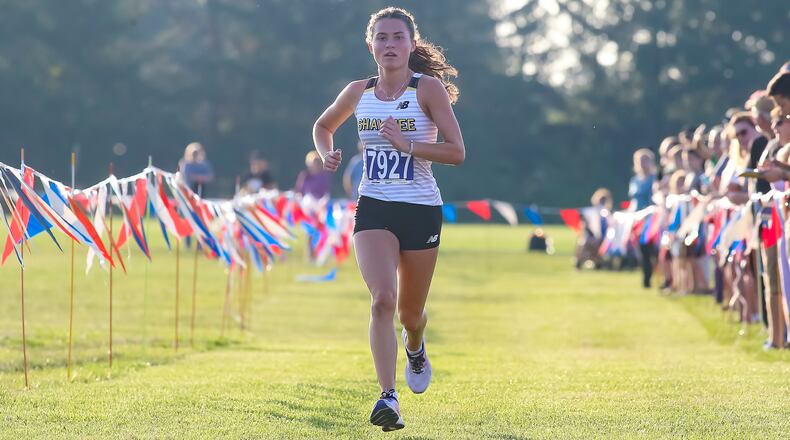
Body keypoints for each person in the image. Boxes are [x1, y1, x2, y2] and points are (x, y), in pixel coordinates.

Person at [312, 7, 465, 431]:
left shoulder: (427, 89)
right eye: (382, 38)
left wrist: (408, 145)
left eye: (398, 37)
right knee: (383, 298)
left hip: (420, 209)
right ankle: (388, 397)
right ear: (370, 46)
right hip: (374, 206)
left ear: (412, 45)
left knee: (410, 315)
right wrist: (328, 151)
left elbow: (456, 152)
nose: (390, 44)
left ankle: (415, 346)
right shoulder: (357, 91)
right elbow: (323, 126)